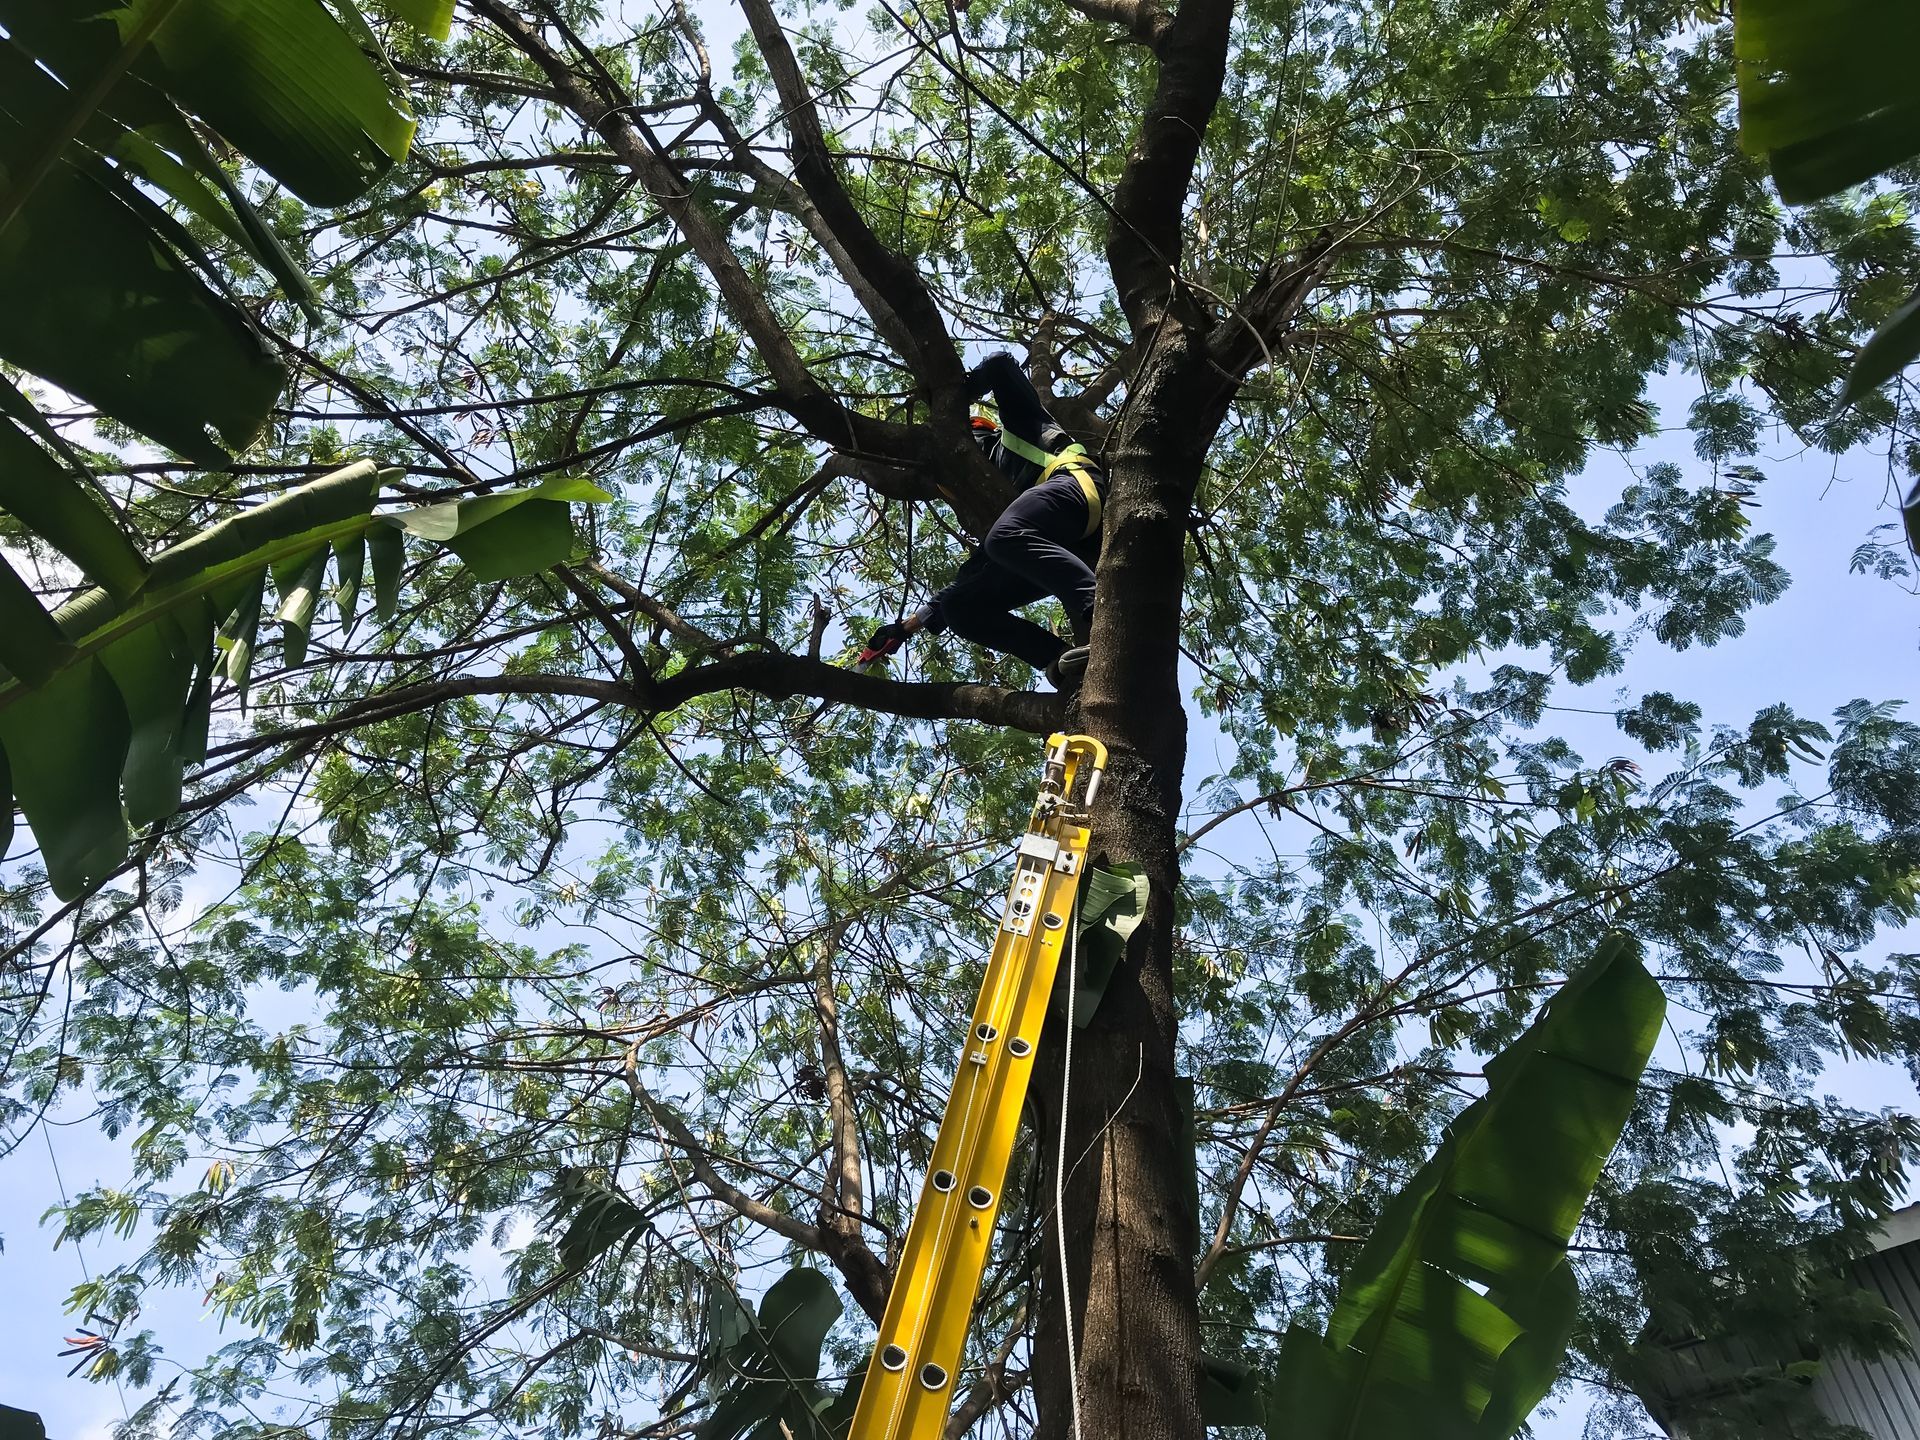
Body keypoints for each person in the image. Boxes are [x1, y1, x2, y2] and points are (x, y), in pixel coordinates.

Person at [862, 352, 1105, 689]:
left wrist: (962, 390)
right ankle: (1059, 660)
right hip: (1053, 535)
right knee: (961, 606)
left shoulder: (1018, 428)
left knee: (1003, 538)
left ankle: (1102, 615)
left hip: (1077, 489)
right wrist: (905, 628)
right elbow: (962, 585)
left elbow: (1000, 364)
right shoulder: (1007, 509)